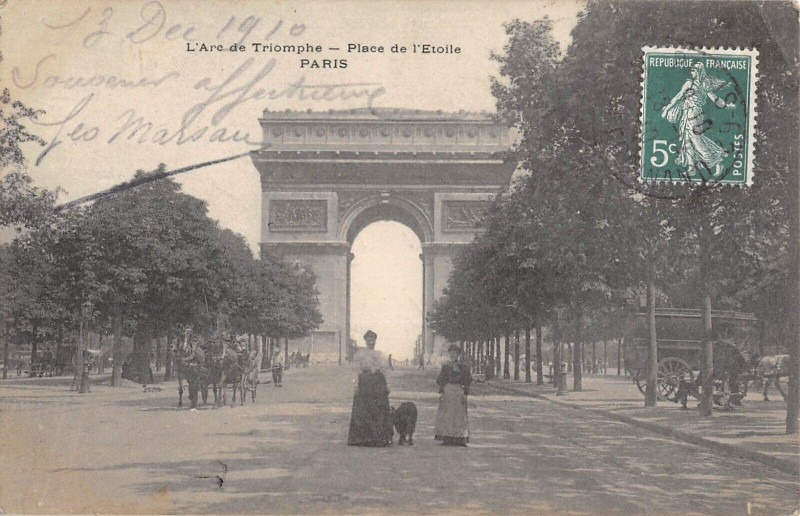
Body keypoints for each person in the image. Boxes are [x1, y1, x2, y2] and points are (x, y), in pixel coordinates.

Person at [661, 62, 736, 179]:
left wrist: (726, 105)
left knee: (696, 140)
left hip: (695, 114)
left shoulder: (704, 84)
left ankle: (717, 160)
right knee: (687, 141)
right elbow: (678, 96)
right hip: (687, 113)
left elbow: (715, 99)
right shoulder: (689, 83)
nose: (692, 71)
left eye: (694, 69)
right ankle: (691, 169)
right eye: (692, 69)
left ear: (700, 71)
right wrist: (667, 109)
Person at [347, 330, 393, 447]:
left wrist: (388, 385)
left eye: (373, 339)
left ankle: (380, 438)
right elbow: (355, 371)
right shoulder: (360, 354)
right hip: (365, 382)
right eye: (369, 339)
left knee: (379, 409)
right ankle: (363, 438)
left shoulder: (380, 354)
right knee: (364, 410)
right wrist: (356, 385)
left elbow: (386, 370)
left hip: (378, 382)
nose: (371, 341)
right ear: (365, 340)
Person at [434, 344, 472, 446]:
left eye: (455, 353)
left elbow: (467, 381)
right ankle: (447, 438)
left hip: (458, 391)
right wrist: (441, 393)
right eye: (451, 353)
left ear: (458, 354)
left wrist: (465, 393)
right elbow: (441, 381)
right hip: (448, 392)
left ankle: (460, 439)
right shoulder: (445, 367)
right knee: (447, 415)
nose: (452, 355)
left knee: (459, 415)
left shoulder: (463, 367)